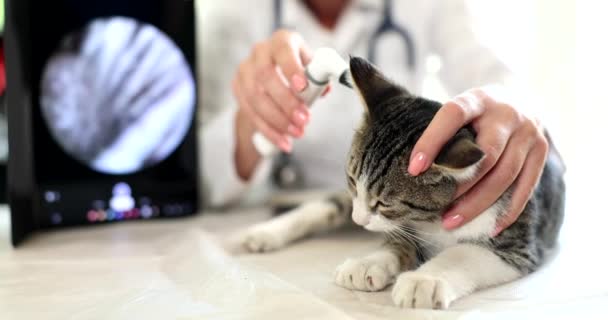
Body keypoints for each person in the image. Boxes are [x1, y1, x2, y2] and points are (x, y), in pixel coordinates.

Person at [199, 0, 548, 235]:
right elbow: (201, 182)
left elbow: (499, 78)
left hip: (405, 228)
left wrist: (509, 107)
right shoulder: (234, 13)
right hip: (293, 227)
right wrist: (253, 119)